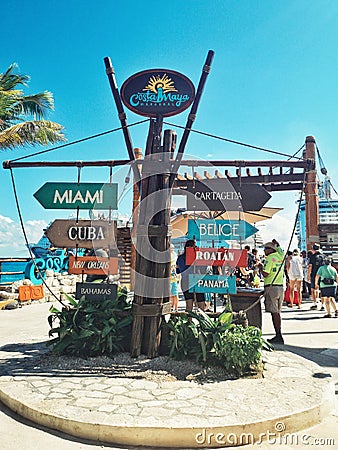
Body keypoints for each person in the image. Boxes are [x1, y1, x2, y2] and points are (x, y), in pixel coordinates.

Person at [257, 240, 285, 345]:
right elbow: (281, 250)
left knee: (274, 312)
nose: (264, 251)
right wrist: (277, 244)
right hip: (280, 286)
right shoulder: (280, 256)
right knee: (277, 311)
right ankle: (278, 334)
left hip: (271, 287)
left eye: (266, 249)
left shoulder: (269, 259)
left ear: (270, 250)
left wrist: (260, 267)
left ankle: (278, 335)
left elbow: (265, 274)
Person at [176, 239, 205, 312]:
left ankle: (188, 322)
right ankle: (202, 322)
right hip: (196, 280)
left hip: (186, 281)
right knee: (201, 305)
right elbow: (202, 270)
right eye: (195, 246)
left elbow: (178, 271)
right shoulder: (198, 258)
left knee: (189, 305)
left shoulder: (180, 258)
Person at [308, 243, 324, 310]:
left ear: (313, 249)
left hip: (314, 274)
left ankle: (315, 304)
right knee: (322, 290)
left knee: (313, 289)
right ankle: (322, 305)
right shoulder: (323, 256)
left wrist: (308, 275)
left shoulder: (313, 257)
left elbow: (310, 267)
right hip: (322, 275)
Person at [169, 244, 179, 312]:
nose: (172, 250)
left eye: (173, 248)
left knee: (175, 294)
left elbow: (177, 267)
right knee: (170, 294)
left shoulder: (175, 255)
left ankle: (176, 307)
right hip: (169, 279)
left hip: (174, 277)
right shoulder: (167, 256)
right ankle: (171, 307)